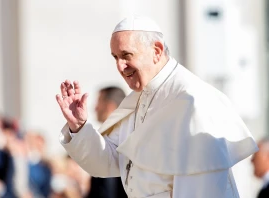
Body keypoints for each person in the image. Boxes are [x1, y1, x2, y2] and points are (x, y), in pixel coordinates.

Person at [56, 15, 258, 198]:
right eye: (115, 57)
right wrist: (80, 126)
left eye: (126, 55)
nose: (119, 66)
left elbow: (201, 191)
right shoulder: (139, 99)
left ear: (156, 51)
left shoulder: (193, 102)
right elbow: (108, 162)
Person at [87, 86, 127, 198]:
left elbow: (108, 190)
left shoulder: (117, 140)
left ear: (109, 106)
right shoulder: (112, 137)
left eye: (98, 102)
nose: (95, 108)